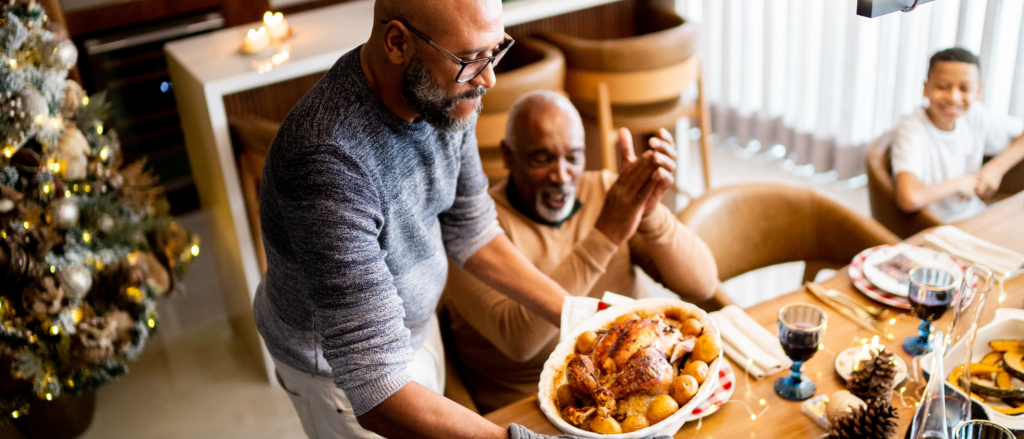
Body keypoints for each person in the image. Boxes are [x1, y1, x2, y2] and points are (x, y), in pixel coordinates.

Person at [252, 0, 675, 437]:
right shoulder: (327, 161)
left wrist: (579, 313)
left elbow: (470, 226)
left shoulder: (442, 92)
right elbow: (377, 391)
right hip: (338, 372)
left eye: (494, 51)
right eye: (471, 58)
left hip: (412, 325)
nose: (489, 77)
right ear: (398, 42)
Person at [441, 91, 719, 412]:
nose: (561, 177)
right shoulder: (470, 228)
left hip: (641, 395)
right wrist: (605, 236)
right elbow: (519, 341)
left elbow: (702, 284)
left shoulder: (607, 191)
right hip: (526, 409)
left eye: (572, 158)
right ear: (508, 156)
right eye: (541, 159)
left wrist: (649, 211)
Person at [893, 47, 1024, 222]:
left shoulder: (976, 115)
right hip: (935, 224)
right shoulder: (912, 128)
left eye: (965, 88)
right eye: (943, 87)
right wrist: (958, 183)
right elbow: (909, 198)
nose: (954, 97)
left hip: (976, 214)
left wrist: (997, 167)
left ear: (978, 91)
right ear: (926, 88)